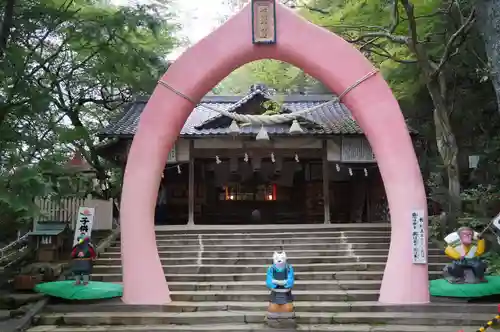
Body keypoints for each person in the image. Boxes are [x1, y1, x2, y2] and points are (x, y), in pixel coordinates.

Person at [266, 251, 295, 316]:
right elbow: (269, 281)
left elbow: (290, 281)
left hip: (286, 293)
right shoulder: (271, 269)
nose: (279, 260)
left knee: (288, 309)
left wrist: (276, 281)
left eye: (282, 258)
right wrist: (282, 282)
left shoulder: (289, 268)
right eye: (277, 258)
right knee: (272, 309)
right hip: (275, 293)